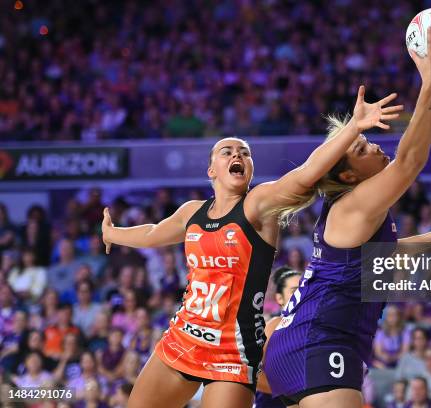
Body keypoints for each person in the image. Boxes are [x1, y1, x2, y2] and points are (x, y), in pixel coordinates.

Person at [102, 85, 403, 408]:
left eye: (244, 152)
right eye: (227, 151)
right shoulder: (192, 212)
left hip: (233, 349)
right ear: (211, 170)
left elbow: (306, 173)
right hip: (183, 336)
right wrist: (112, 233)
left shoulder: (258, 205)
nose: (237, 155)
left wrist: (352, 129)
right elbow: (152, 233)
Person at [264, 28, 431, 408]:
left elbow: (373, 259)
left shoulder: (350, 212)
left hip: (298, 343)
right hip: (321, 343)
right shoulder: (356, 203)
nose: (376, 145)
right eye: (364, 147)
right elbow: (411, 161)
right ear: (348, 175)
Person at [255, 266, 302, 408]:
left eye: (306, 289)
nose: (302, 294)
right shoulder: (272, 327)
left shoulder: (317, 325)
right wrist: (290, 391)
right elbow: (252, 371)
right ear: (279, 298)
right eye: (294, 291)